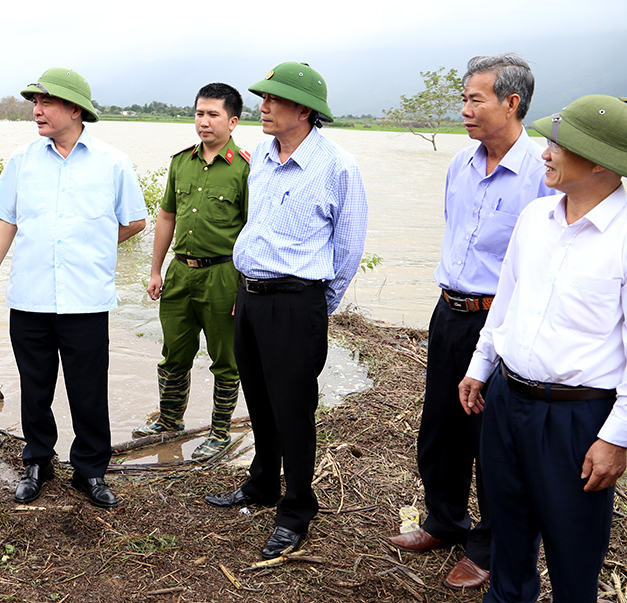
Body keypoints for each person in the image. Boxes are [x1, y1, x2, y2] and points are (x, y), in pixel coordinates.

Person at [388, 54, 553, 590]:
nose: (464, 109)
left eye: (475, 99)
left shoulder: (541, 173)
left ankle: (488, 544)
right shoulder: (460, 165)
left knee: (493, 439)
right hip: (450, 311)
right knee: (441, 425)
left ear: (511, 102)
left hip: (499, 321)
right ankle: (444, 520)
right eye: (462, 98)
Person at [458, 95, 627, 603]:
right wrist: (480, 368)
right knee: (507, 530)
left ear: (598, 159)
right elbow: (506, 303)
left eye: (558, 145)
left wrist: (617, 437)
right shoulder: (535, 217)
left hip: (578, 419)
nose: (545, 153)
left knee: (573, 546)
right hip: (508, 400)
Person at [204, 62, 368, 559]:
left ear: (304, 110)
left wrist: (314, 305)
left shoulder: (339, 167)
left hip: (297, 303)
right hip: (250, 297)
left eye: (273, 100)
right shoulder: (262, 160)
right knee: (257, 397)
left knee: (294, 411)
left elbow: (348, 249)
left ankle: (297, 507)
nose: (263, 106)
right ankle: (261, 484)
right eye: (263, 98)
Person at [0, 67, 147, 508]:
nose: (37, 111)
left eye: (46, 102)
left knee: (89, 390)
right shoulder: (22, 160)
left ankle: (90, 470)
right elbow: (6, 220)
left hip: (86, 299)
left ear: (75, 109)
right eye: (35, 103)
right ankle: (37, 462)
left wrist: (92, 246)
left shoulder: (113, 162)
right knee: (35, 387)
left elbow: (135, 220)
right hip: (30, 297)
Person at [132, 82, 249, 460]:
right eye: (199, 113)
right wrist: (156, 270)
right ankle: (169, 421)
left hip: (224, 276)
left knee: (224, 358)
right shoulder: (181, 162)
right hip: (181, 272)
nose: (204, 121)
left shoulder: (245, 169)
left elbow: (253, 232)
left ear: (232, 121)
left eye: (213, 114)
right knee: (174, 352)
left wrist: (243, 287)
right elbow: (166, 215)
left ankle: (219, 432)